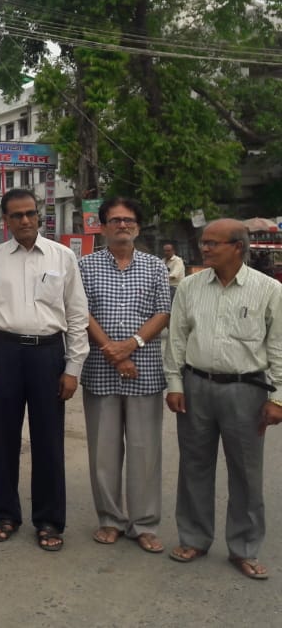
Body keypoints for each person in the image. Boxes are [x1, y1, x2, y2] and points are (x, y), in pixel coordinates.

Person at [0, 188, 89, 552]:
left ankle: (50, 520)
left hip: (48, 355)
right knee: (3, 439)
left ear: (39, 216)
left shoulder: (63, 257)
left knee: (49, 441)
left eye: (30, 214)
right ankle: (5, 514)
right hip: (4, 353)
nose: (25, 220)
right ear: (5, 221)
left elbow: (76, 316)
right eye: (16, 215)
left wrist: (73, 368)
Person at [165, 219, 282, 580]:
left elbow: (278, 345)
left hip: (246, 392)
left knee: (246, 473)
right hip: (196, 386)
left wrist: (278, 396)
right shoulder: (190, 287)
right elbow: (177, 338)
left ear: (238, 247)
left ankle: (244, 548)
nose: (206, 249)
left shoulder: (268, 290)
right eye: (204, 243)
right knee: (194, 467)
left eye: (214, 243)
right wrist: (175, 383)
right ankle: (194, 538)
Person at [79, 198, 171, 553]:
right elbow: (81, 313)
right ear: (102, 226)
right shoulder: (85, 266)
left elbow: (163, 312)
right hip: (101, 369)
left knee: (144, 450)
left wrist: (130, 345)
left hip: (144, 371)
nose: (122, 225)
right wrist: (115, 355)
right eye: (115, 220)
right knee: (103, 451)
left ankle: (144, 523)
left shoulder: (155, 267)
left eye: (128, 220)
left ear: (138, 226)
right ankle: (110, 519)